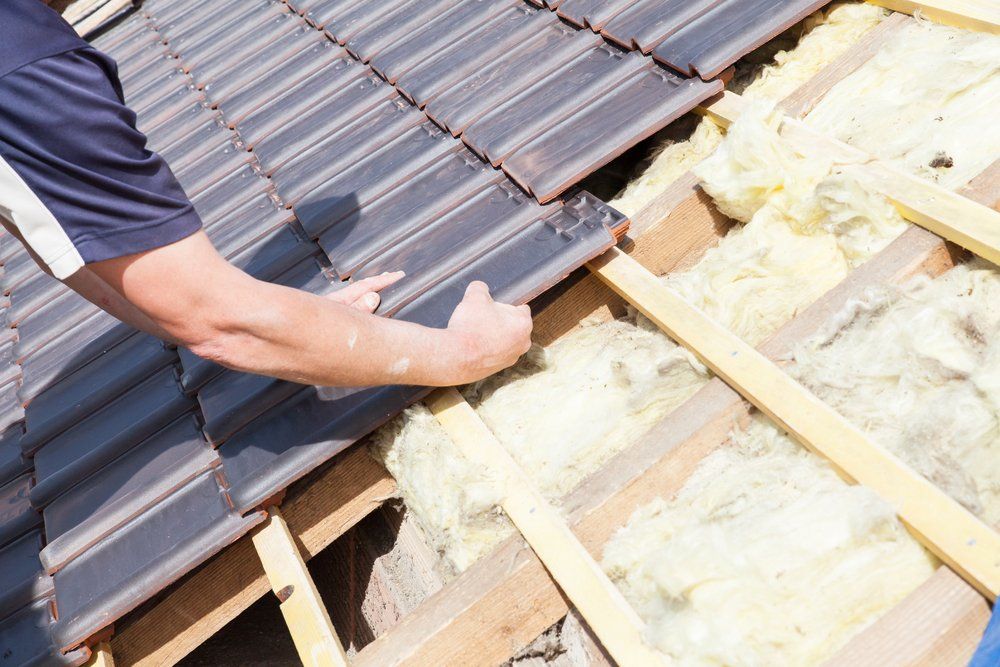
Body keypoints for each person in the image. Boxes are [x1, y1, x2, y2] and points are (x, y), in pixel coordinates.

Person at [0, 0, 532, 389]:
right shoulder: (25, 68)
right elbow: (220, 324)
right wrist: (463, 354)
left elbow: (74, 251)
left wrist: (308, 327)